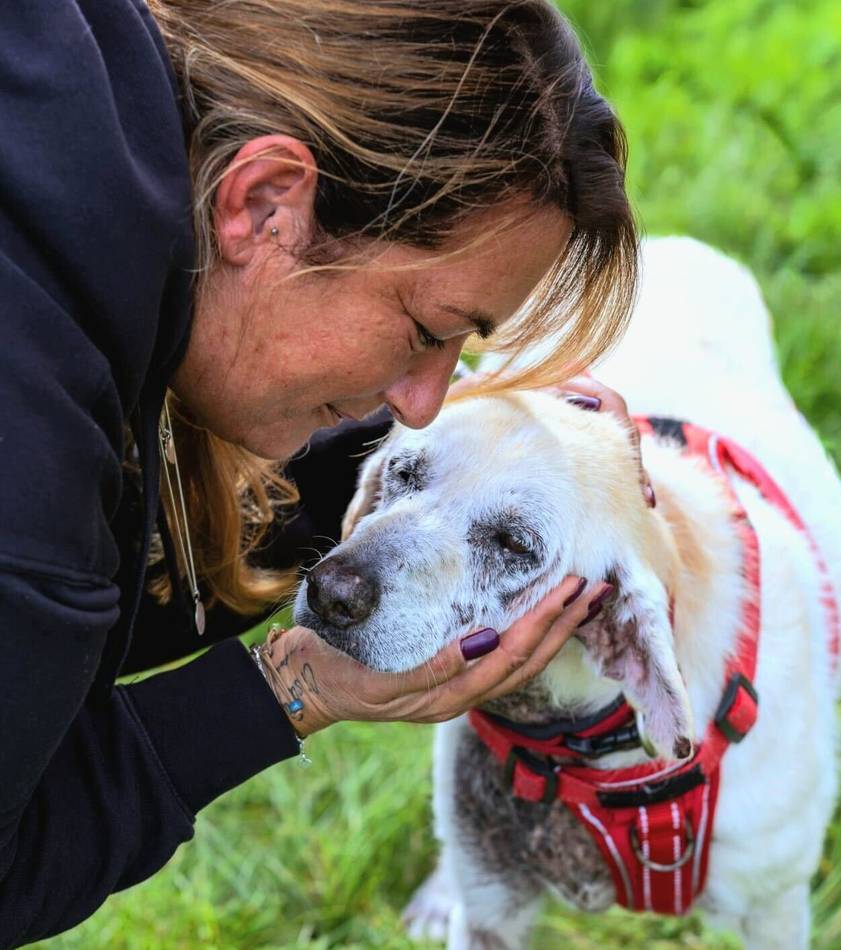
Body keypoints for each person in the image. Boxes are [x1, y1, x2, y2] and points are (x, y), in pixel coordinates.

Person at [0, 0, 637, 943]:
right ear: (263, 205)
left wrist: (455, 464)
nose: (424, 399)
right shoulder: (27, 484)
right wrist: (286, 690)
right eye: (428, 331)